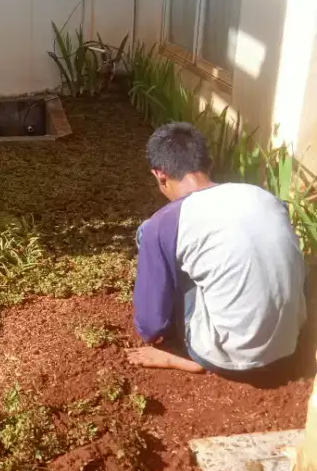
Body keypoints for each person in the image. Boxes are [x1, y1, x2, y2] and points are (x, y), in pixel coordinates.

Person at [127, 122, 306, 375]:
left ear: (160, 175)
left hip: (228, 357)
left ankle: (193, 357)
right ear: (208, 164)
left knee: (147, 232)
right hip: (289, 346)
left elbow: (151, 325)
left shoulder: (165, 222)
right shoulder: (264, 197)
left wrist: (156, 330)